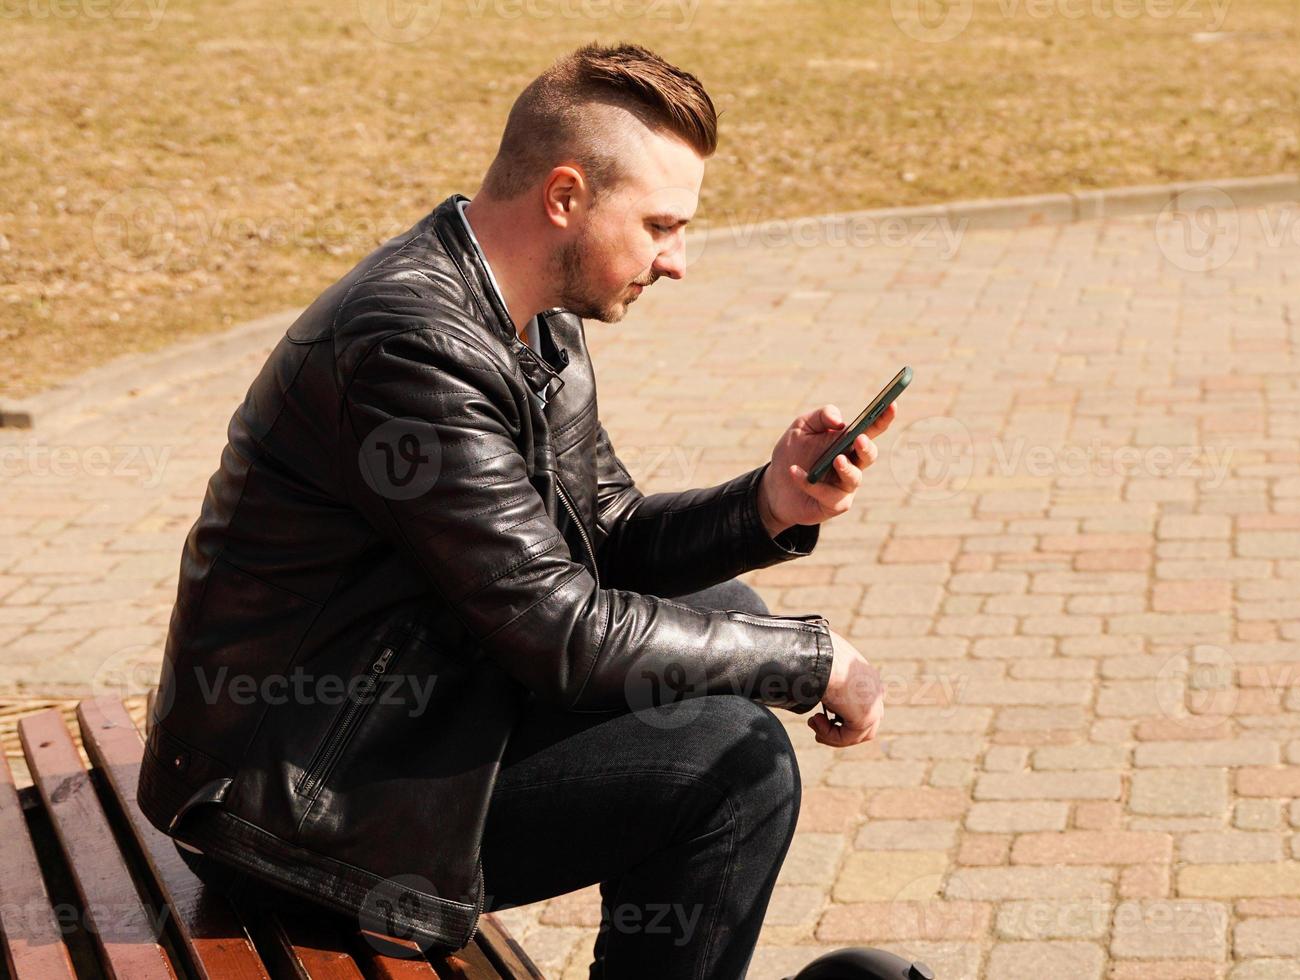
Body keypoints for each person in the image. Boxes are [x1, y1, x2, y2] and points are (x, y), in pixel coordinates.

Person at [138, 42, 889, 978]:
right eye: (659, 225)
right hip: (290, 808)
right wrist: (815, 661)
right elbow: (559, 631)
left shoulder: (535, 309)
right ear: (565, 196)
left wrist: (768, 502)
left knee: (731, 614)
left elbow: (602, 537)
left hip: (396, 715)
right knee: (729, 763)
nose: (677, 261)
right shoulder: (410, 344)